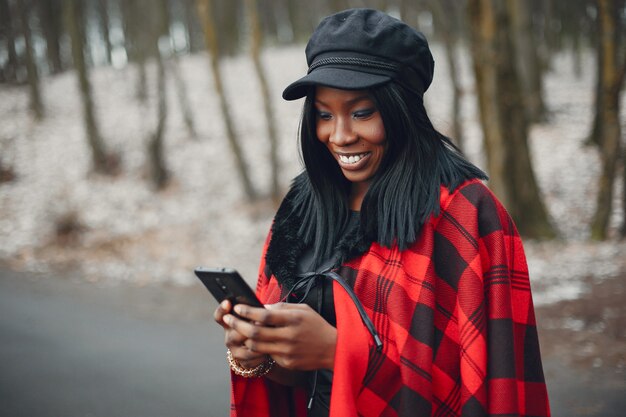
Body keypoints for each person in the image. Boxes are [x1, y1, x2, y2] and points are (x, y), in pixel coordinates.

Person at [214, 8, 550, 417]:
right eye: (324, 114)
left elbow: (479, 388)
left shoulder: (464, 214)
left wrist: (339, 352)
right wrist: (257, 354)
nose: (339, 136)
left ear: (400, 110)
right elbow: (295, 381)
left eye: (361, 112)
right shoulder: (301, 211)